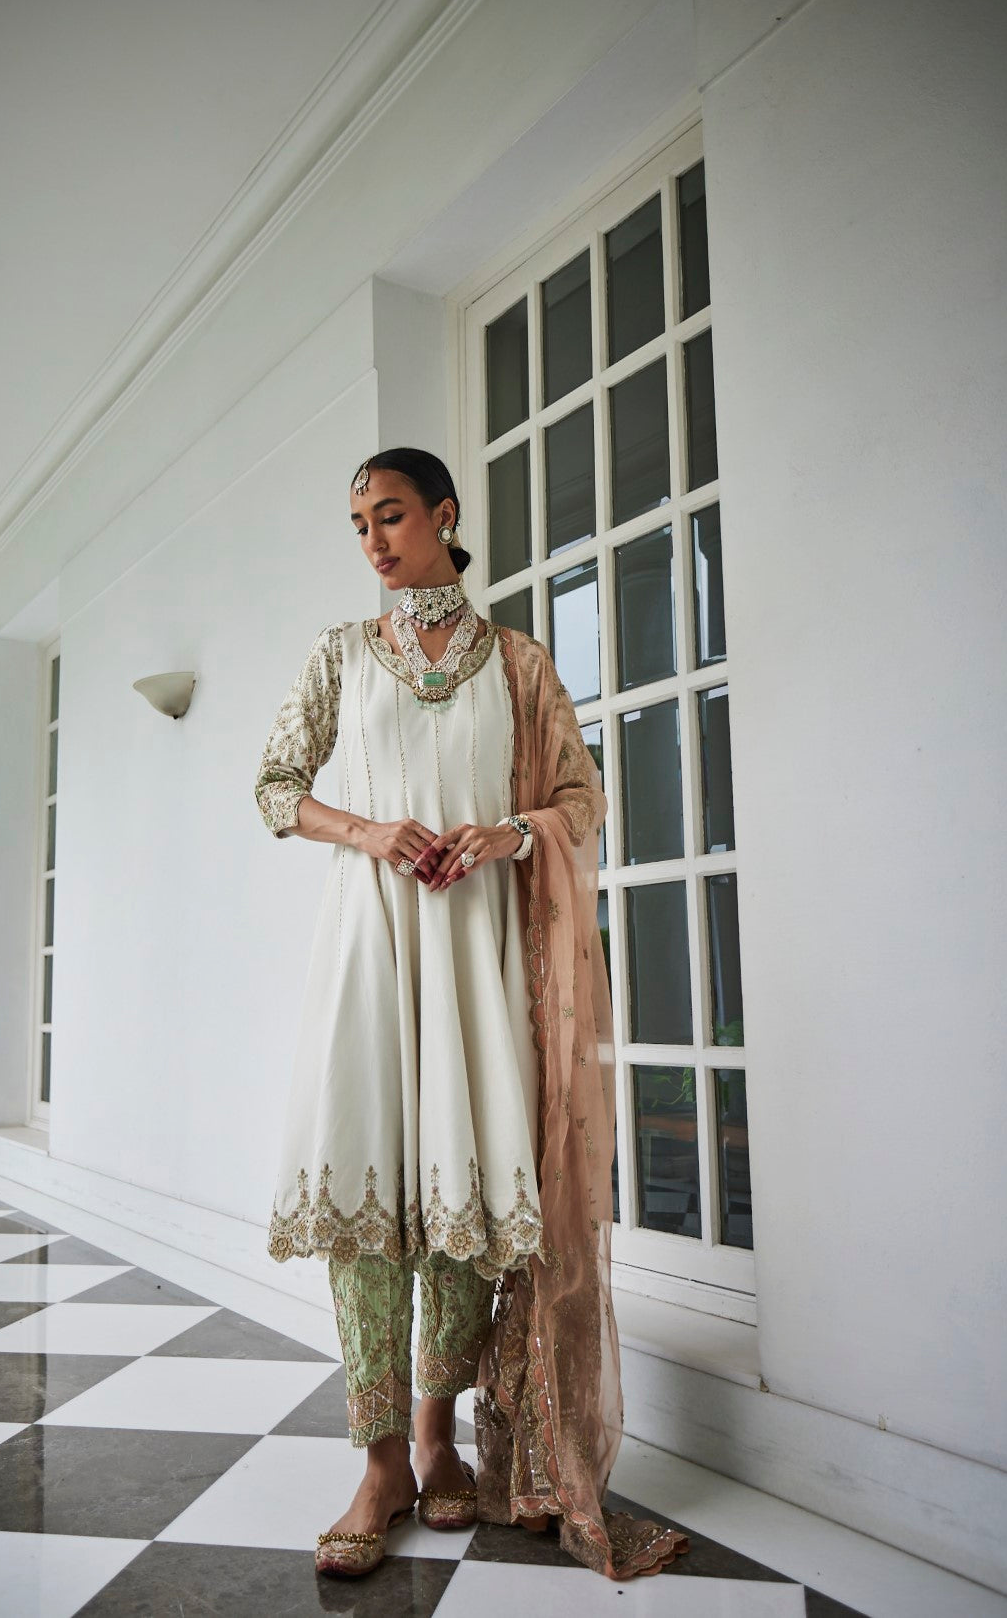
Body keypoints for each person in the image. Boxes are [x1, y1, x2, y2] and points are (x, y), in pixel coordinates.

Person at [254, 446, 691, 1581]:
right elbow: (274, 787)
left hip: (477, 950)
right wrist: (369, 830)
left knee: (459, 1198)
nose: (373, 541)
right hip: (371, 945)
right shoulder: (341, 655)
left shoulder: (519, 664)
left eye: (391, 515)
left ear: (445, 516)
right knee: (365, 1190)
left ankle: (439, 1445)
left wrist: (509, 835)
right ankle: (378, 1465)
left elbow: (581, 798)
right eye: (358, 523)